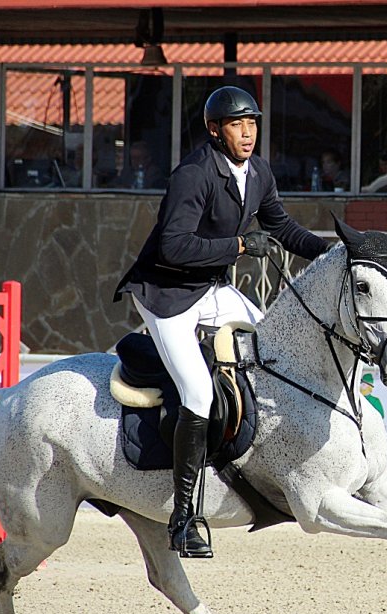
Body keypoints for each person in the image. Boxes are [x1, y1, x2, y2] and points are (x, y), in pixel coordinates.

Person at [113, 86, 331, 559]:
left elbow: (282, 227)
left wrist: (330, 252)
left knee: (272, 349)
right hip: (166, 294)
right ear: (216, 130)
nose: (248, 132)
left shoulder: (258, 172)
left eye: (253, 123)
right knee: (198, 391)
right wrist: (235, 248)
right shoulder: (193, 175)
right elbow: (174, 247)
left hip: (210, 289)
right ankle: (184, 517)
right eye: (237, 124)